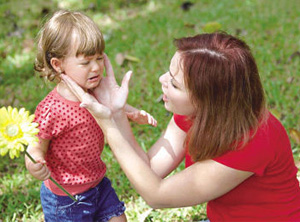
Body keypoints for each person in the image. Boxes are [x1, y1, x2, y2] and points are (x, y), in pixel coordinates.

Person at [62, 32, 300, 221]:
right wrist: (115, 113)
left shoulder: (254, 140)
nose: (161, 80)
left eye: (174, 85)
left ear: (207, 99)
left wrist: (108, 124)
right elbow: (151, 171)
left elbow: (156, 195)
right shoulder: (198, 113)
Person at [25, 10, 156, 222]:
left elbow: (114, 106)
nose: (96, 67)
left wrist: (133, 113)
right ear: (58, 65)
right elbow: (36, 145)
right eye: (85, 63)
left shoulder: (96, 90)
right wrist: (34, 161)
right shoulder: (51, 109)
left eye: (98, 59)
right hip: (66, 198)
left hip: (98, 183)